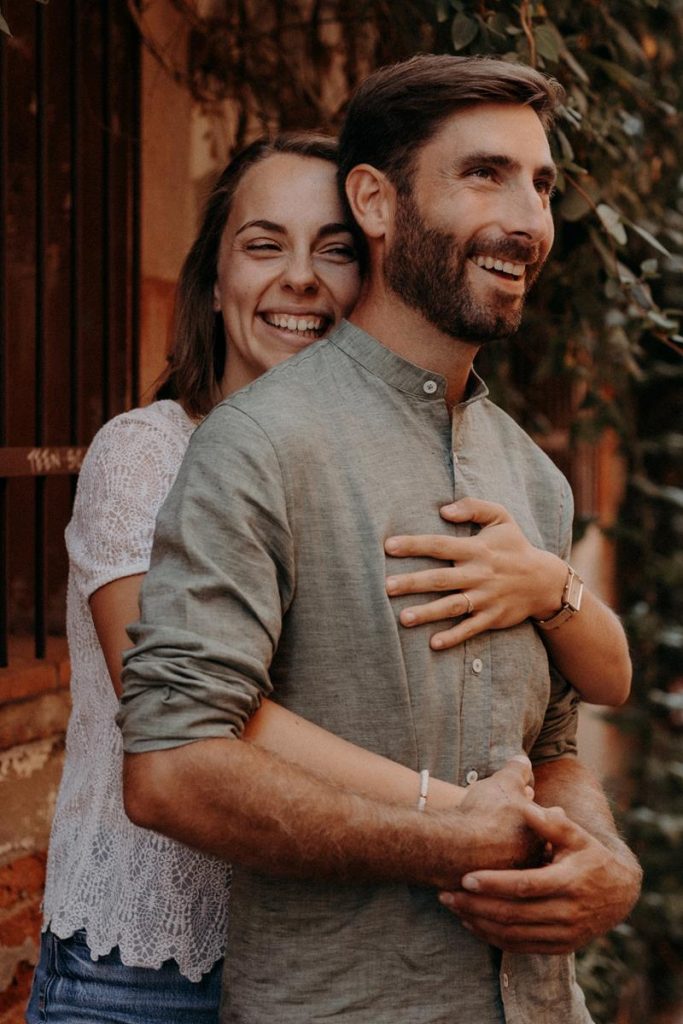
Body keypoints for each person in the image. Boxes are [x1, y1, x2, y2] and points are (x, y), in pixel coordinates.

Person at [119, 57, 641, 1023]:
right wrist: (455, 840)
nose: (526, 220)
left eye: (541, 185)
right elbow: (171, 768)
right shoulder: (261, 443)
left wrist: (604, 862)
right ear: (376, 200)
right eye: (483, 173)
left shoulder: (533, 476)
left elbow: (553, 744)